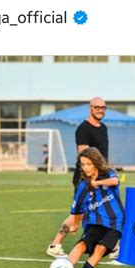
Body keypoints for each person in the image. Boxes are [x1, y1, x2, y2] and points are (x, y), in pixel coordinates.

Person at [41, 148, 124, 268]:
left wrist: (97, 183)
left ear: (96, 163)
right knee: (81, 245)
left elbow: (115, 180)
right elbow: (77, 210)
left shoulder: (107, 173)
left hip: (115, 222)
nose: (85, 168)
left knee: (100, 250)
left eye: (88, 164)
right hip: (95, 222)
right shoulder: (82, 187)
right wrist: (76, 224)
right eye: (83, 165)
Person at [46, 97, 109, 258]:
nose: (100, 110)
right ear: (90, 108)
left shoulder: (104, 128)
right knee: (77, 217)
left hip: (100, 177)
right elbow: (85, 156)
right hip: (85, 178)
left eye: (103, 107)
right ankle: (55, 244)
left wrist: (107, 171)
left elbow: (103, 156)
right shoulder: (83, 129)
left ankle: (111, 246)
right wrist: (92, 178)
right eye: (97, 107)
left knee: (105, 210)